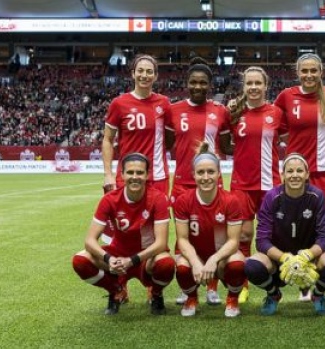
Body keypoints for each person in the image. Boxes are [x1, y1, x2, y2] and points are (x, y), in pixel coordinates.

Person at [274, 53, 325, 302]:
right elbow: (277, 129)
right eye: (305, 71)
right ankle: (299, 277)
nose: (309, 75)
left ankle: (316, 283)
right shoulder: (286, 97)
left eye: (314, 70)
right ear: (298, 72)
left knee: (322, 228)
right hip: (296, 174)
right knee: (296, 225)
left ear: (321, 71)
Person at [71, 153, 175, 315]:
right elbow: (90, 241)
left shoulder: (158, 198)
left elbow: (161, 243)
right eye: (130, 172)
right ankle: (116, 290)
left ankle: (156, 294)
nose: (135, 177)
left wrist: (132, 261)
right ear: (122, 174)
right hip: (117, 256)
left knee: (166, 264)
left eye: (140, 173)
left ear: (147, 175)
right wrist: (109, 259)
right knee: (80, 260)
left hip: (145, 258)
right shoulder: (109, 199)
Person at [167, 57, 233, 306]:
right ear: (187, 83)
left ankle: (212, 286)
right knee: (184, 235)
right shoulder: (173, 110)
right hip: (184, 182)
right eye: (193, 82)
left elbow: (227, 146)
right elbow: (168, 143)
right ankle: (188, 286)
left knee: (215, 235)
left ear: (209, 85)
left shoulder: (220, 111)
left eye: (203, 83)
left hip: (211, 182)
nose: (197, 86)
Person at [244, 153, 325, 316]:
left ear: (307, 174)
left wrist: (307, 255)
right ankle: (273, 294)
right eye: (290, 171)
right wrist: (285, 258)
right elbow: (262, 240)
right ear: (282, 175)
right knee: (252, 266)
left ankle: (318, 295)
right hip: (279, 261)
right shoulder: (271, 197)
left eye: (299, 171)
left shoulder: (317, 197)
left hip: (309, 260)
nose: (295, 175)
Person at [228, 66, 284, 303]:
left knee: (271, 235)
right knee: (243, 233)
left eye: (257, 83)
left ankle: (276, 282)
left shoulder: (277, 113)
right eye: (249, 83)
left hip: (270, 183)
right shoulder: (233, 112)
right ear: (244, 87)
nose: (253, 88)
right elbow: (224, 144)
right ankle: (243, 284)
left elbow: (289, 139)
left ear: (265, 85)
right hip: (242, 182)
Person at [173, 143, 246, 317]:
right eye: (200, 172)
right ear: (193, 175)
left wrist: (214, 259)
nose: (206, 177)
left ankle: (232, 298)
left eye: (211, 172)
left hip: (220, 256)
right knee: (182, 266)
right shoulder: (183, 201)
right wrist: (196, 262)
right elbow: (182, 239)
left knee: (238, 263)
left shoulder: (231, 201)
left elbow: (234, 242)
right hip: (196, 254)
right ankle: (192, 297)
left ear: (219, 174)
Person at [101, 54, 171, 194]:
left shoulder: (164, 103)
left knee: (159, 217)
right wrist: (108, 174)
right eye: (140, 71)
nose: (144, 75)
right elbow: (108, 140)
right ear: (133, 74)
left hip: (157, 177)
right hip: (128, 176)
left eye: (149, 71)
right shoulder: (119, 103)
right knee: (124, 217)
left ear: (156, 76)